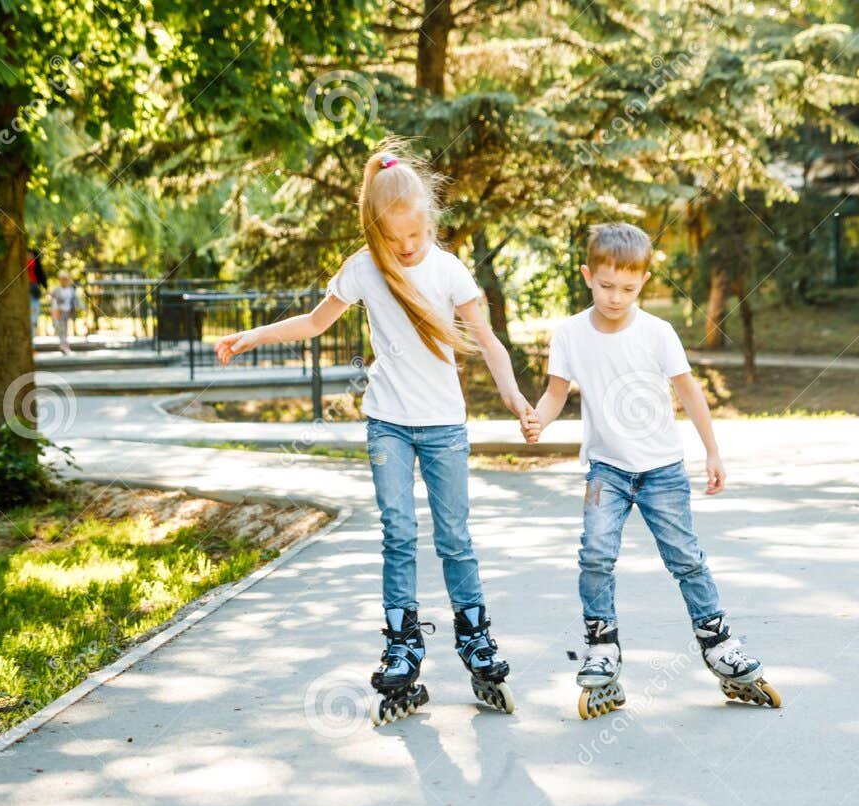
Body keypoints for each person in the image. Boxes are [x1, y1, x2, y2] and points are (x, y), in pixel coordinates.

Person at [213, 140, 537, 725]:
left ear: (428, 221)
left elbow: (488, 342)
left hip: (444, 426)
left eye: (415, 235)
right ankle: (403, 643)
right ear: (374, 228)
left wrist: (515, 399)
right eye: (395, 238)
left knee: (455, 536)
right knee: (397, 533)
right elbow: (314, 323)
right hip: (387, 421)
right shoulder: (364, 267)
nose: (407, 247)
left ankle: (473, 637)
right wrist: (251, 336)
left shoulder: (448, 269)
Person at [524, 222, 780, 716]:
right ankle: (602, 644)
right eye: (605, 286)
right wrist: (539, 419)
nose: (615, 297)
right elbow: (557, 392)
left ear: (643, 281)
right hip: (606, 471)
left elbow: (688, 391)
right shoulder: (571, 334)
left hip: (662, 469)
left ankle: (718, 642)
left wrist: (712, 452)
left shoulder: (657, 332)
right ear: (587, 276)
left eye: (627, 287)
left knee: (685, 558)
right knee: (595, 553)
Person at [50, 271, 80, 355]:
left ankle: (64, 344)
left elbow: (76, 299)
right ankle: (63, 345)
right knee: (61, 328)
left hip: (68, 311)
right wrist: (55, 312)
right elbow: (53, 302)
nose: (64, 281)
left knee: (65, 328)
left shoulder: (71, 290)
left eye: (66, 279)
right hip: (60, 312)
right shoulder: (57, 290)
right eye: (62, 279)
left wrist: (80, 306)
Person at [27, 248, 45, 335]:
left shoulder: (36, 265)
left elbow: (41, 276)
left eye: (30, 255)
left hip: (34, 291)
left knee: (33, 314)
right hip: (26, 291)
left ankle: (32, 344)